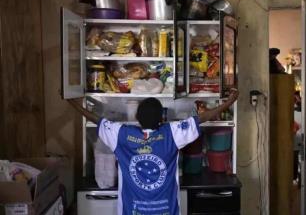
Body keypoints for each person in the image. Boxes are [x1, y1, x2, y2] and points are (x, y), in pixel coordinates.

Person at [68, 89, 239, 215]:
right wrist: (229, 102)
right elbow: (202, 118)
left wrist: (71, 102)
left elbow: (95, 119)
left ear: (137, 117)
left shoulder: (122, 134)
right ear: (162, 119)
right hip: (167, 209)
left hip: (132, 210)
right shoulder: (171, 133)